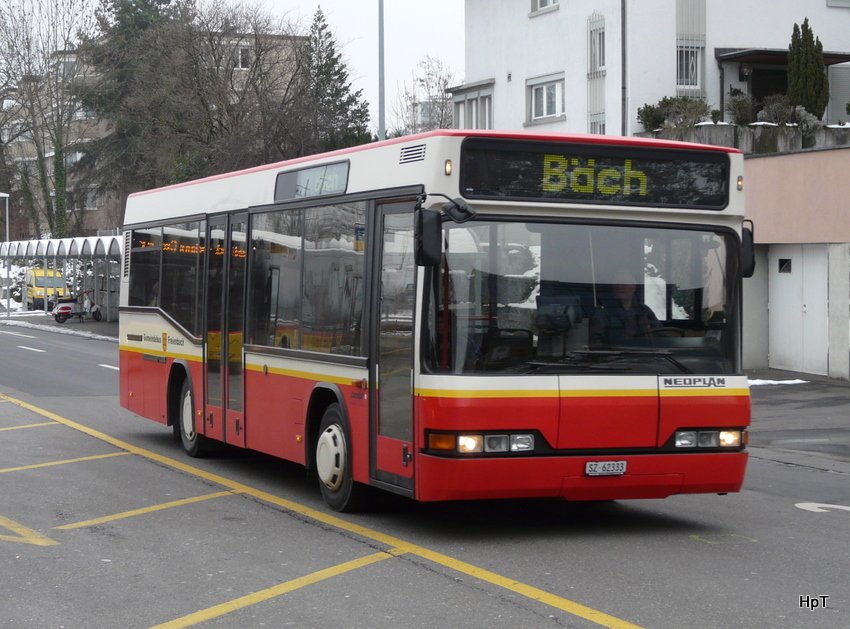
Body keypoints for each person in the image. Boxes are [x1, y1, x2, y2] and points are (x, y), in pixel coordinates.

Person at [590, 269, 659, 346]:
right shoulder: (603, 312)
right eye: (616, 284)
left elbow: (660, 334)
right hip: (615, 353)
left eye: (624, 284)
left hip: (644, 352)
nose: (620, 287)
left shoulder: (644, 311)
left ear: (633, 287)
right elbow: (595, 343)